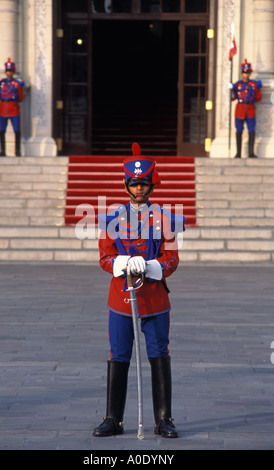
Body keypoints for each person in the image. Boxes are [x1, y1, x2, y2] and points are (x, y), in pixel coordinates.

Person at [93, 143, 185, 439]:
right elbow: (104, 258)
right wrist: (122, 262)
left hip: (154, 299)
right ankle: (113, 418)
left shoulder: (167, 218)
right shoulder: (111, 218)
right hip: (121, 298)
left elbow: (172, 259)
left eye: (143, 183)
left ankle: (163, 419)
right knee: (119, 354)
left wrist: (149, 266)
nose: (138, 188)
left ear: (151, 185)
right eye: (134, 183)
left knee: (159, 354)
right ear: (126, 185)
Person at [231, 59, 262, 158]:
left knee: (251, 130)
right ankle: (238, 153)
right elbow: (233, 97)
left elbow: (258, 97)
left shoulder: (253, 85)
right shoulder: (238, 85)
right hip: (240, 109)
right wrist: (231, 90)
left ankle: (251, 152)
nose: (246, 75)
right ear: (241, 73)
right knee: (239, 130)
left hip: (250, 109)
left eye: (247, 73)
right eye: (244, 73)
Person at [0, 58, 25, 157]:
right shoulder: (1, 84)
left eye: (11, 71)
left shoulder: (16, 84)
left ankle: (17, 151)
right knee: (1, 130)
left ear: (13, 72)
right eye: (8, 71)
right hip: (3, 108)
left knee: (16, 129)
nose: (9, 73)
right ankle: (2, 150)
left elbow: (21, 97)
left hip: (14, 108)